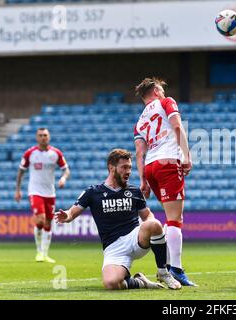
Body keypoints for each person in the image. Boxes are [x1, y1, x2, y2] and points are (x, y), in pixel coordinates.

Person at [55, 149, 181, 290]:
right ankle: (141, 282)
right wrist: (66, 216)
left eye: (130, 168)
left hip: (135, 238)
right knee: (111, 284)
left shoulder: (134, 191)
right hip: (113, 248)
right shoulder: (93, 192)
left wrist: (152, 227)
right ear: (111, 167)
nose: (128, 171)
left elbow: (147, 216)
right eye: (124, 167)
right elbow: (72, 212)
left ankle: (163, 272)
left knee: (154, 224)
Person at [133, 77, 196, 286]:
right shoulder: (166, 101)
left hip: (151, 167)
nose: (162, 91)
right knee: (175, 219)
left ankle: (169, 265)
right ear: (155, 90)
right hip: (168, 162)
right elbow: (177, 126)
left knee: (171, 218)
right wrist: (187, 155)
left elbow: (139, 154)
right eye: (160, 88)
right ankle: (175, 269)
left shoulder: (140, 121)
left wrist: (143, 180)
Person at [15, 127, 70, 263]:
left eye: (45, 135)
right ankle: (39, 252)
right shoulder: (30, 153)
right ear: (37, 137)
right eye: (40, 135)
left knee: (48, 222)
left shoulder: (55, 153)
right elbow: (21, 172)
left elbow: (66, 170)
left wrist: (63, 178)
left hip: (50, 193)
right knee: (40, 219)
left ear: (49, 137)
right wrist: (18, 190)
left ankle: (45, 254)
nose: (43, 137)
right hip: (35, 191)